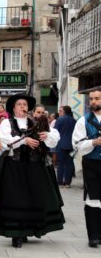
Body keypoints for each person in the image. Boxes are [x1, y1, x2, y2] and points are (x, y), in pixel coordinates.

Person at [0, 94, 64, 248]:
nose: (23, 107)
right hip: (14, 166)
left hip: (33, 165)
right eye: (19, 104)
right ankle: (16, 234)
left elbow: (54, 137)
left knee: (32, 197)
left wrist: (46, 136)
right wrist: (24, 140)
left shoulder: (36, 122)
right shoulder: (7, 123)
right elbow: (5, 141)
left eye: (24, 104)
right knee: (15, 198)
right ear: (13, 107)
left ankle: (28, 230)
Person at [72, 89, 101, 248]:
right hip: (91, 163)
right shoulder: (83, 121)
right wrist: (93, 142)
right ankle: (93, 236)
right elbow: (76, 145)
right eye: (91, 99)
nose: (93, 102)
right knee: (93, 199)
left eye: (97, 98)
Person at [54, 106, 76, 187]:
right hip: (72, 145)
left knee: (61, 163)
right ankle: (67, 183)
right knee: (69, 163)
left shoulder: (60, 120)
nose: (59, 113)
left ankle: (60, 182)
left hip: (61, 145)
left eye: (60, 111)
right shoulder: (74, 120)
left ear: (65, 112)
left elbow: (55, 131)